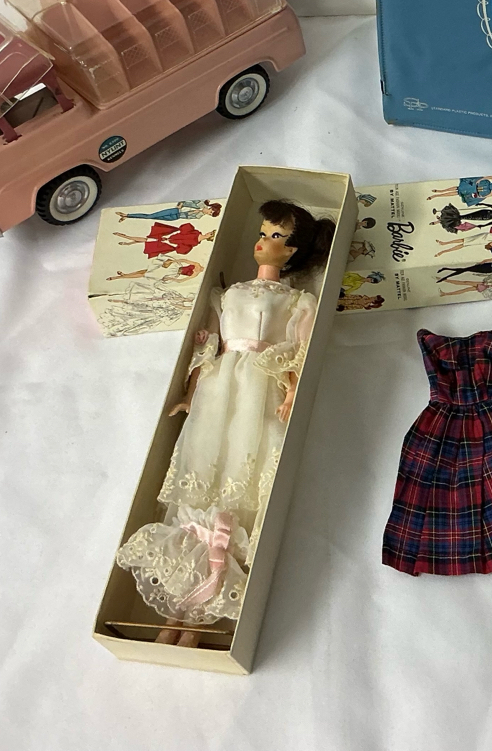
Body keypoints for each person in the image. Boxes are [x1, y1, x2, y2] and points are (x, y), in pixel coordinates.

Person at [116, 200, 334, 647]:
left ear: (292, 251)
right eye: (263, 232)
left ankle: (198, 620)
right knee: (202, 466)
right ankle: (176, 610)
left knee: (242, 469)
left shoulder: (297, 301)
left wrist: (291, 392)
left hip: (259, 386)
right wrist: (188, 394)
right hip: (219, 387)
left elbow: (297, 352)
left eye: (276, 236)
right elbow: (209, 348)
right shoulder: (228, 293)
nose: (263, 241)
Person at [428, 177, 492, 206]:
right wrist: (481, 179)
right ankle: (439, 190)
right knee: (459, 187)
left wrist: (483, 197)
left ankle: (436, 196)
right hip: (483, 184)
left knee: (459, 193)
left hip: (484, 192)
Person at [114, 200, 222, 222]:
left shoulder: (199, 216)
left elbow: (186, 216)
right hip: (174, 211)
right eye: (211, 212)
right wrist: (180, 205)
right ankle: (127, 215)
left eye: (210, 214)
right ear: (211, 208)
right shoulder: (200, 203)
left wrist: (195, 212)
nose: (208, 213)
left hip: (176, 217)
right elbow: (185, 201)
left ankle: (127, 216)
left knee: (152, 218)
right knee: (150, 216)